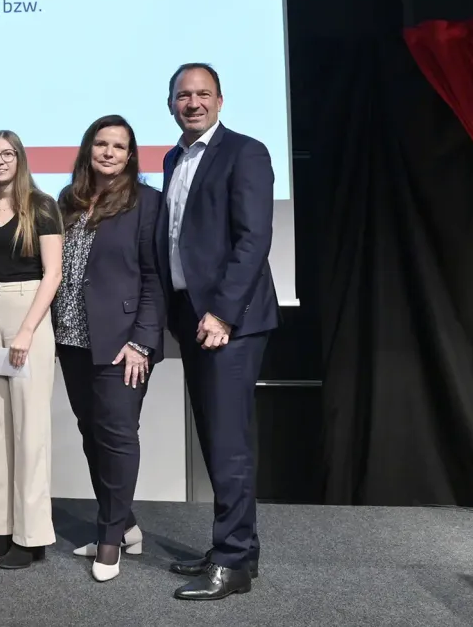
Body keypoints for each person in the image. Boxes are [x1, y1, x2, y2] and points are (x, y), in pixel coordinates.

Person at [159, 63, 278, 601]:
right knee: (215, 439)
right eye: (183, 95)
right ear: (171, 104)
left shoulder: (245, 152)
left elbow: (254, 239)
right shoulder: (172, 158)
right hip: (193, 319)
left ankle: (232, 563)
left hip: (231, 322)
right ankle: (236, 551)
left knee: (229, 444)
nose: (193, 102)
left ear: (221, 100)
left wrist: (223, 313)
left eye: (202, 93)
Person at [52, 115, 164, 582]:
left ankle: (110, 537)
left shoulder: (146, 202)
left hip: (123, 343)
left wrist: (142, 340)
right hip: (72, 338)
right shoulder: (69, 201)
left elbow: (155, 279)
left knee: (118, 437)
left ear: (131, 154)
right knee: (91, 433)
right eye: (101, 143)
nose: (109, 152)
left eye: (119, 146)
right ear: (88, 148)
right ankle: (127, 523)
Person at [0, 130, 63, 570]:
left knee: (29, 431)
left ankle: (32, 535)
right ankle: (0, 528)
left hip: (28, 313)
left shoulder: (41, 206)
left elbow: (54, 272)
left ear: (20, 158)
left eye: (7, 154)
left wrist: (26, 331)